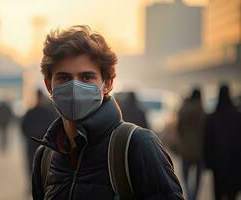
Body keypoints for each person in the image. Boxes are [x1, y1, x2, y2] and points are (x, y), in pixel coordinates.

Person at [31, 25, 184, 200]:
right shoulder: (45, 158)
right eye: (64, 78)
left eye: (87, 77)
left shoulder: (137, 146)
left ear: (108, 84)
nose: (75, 87)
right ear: (49, 85)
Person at [204, 84, 241, 200]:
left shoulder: (212, 117)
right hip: (235, 162)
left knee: (218, 194)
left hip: (218, 163)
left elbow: (207, 141)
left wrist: (208, 162)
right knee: (232, 193)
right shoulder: (237, 116)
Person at [177, 88, 206, 200]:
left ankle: (189, 194)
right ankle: (194, 196)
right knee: (198, 177)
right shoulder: (202, 111)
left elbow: (179, 129)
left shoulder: (184, 109)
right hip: (200, 149)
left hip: (186, 149)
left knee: (185, 176)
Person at [21, 89, 58, 175]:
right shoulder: (50, 112)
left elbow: (23, 127)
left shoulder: (30, 112)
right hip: (43, 144)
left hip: (34, 144)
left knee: (34, 167)